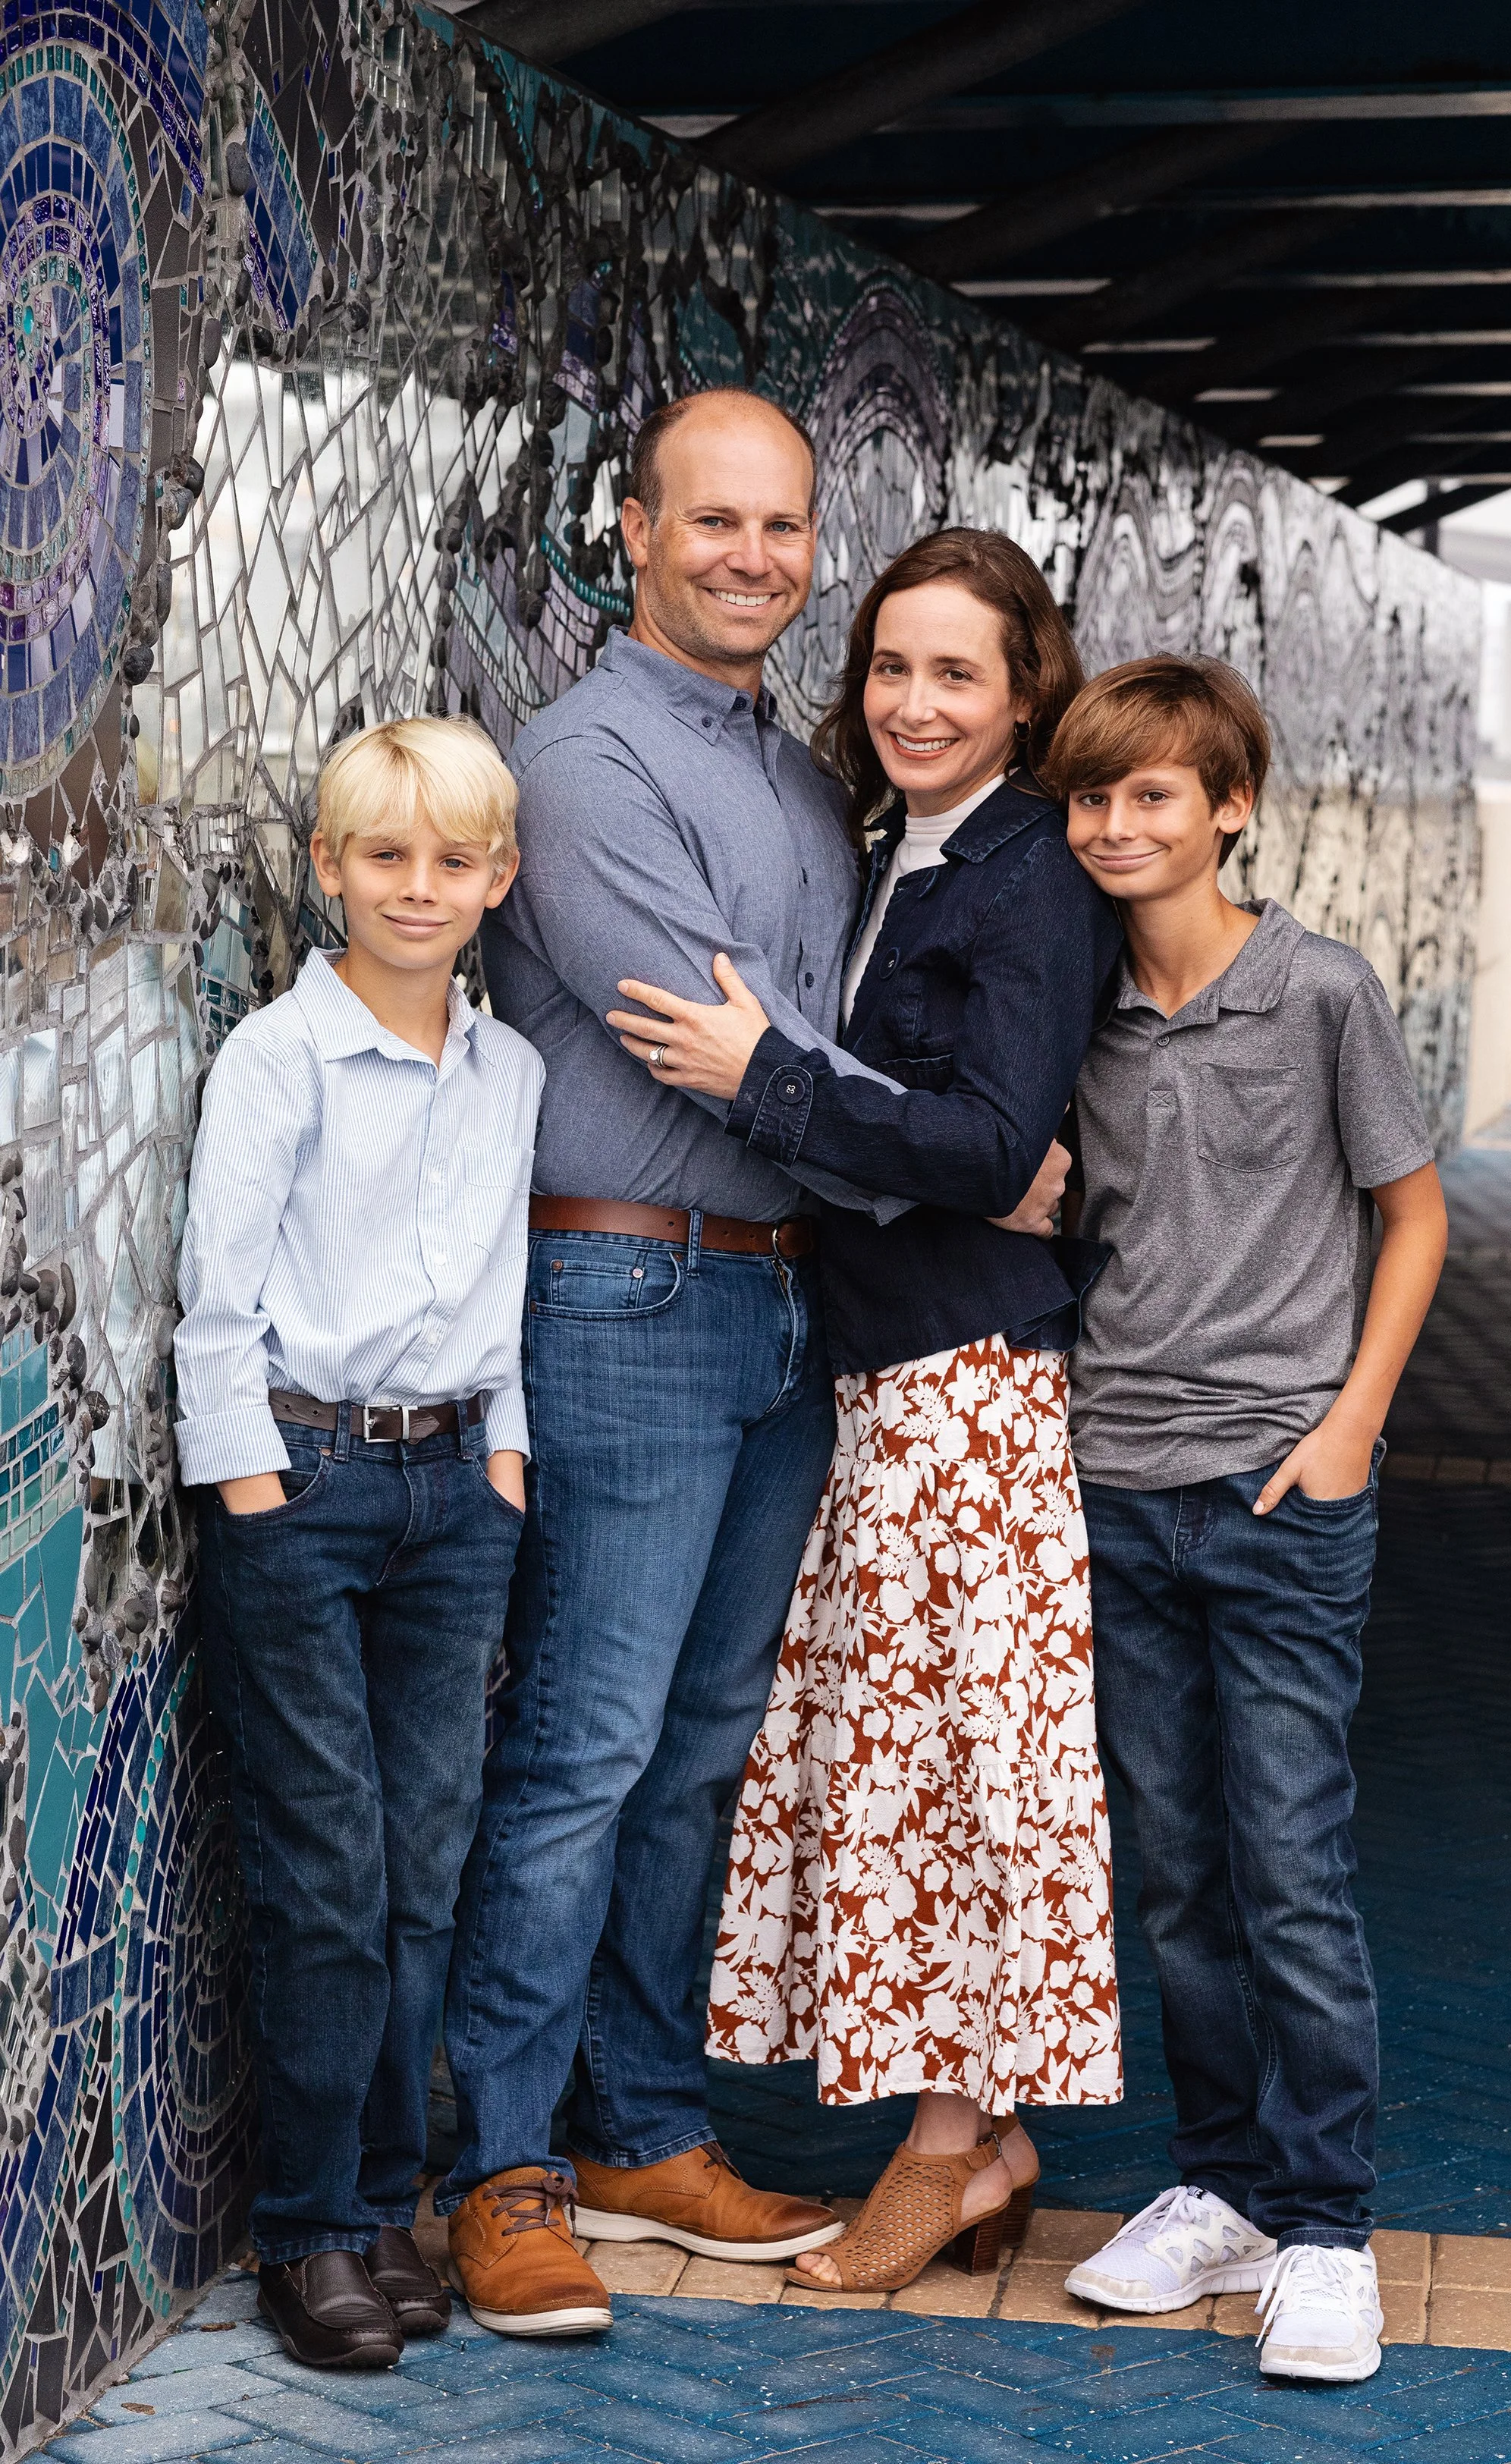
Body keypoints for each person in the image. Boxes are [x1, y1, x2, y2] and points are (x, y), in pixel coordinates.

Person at [436, 391, 1063, 2323]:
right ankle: (507, 2165)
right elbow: (704, 1040)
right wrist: (971, 1149)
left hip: (789, 1297)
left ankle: (641, 2121)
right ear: (633, 530)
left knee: (703, 1749)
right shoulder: (588, 761)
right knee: (584, 1749)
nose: (753, 559)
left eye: (785, 529)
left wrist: (920, 1127)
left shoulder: (805, 776)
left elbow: (788, 1037)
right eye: (714, 522)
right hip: (630, 1293)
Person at [607, 529, 1126, 2296]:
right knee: (898, 1777)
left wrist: (764, 1079)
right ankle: (976, 2138)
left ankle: (947, 2149)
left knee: (979, 1779)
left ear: (1023, 690)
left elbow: (991, 1142)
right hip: (879, 1373)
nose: (913, 701)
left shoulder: (1032, 865)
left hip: (972, 1390)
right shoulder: (889, 850)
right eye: (890, 668)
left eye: (956, 674)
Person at [1043, 657, 1448, 2384]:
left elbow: (1413, 1217)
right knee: (1180, 1868)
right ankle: (1223, 2188)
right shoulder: (1074, 1010)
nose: (1119, 824)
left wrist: (1353, 1425)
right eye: (1092, 797)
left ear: (1231, 808)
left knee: (1290, 1860)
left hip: (1284, 1495)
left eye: (1155, 794)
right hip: (1115, 1486)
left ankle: (1330, 2225)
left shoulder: (1323, 993)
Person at [174, 718, 550, 2368]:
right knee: (329, 1874)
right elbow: (215, 1306)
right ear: (327, 866)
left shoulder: (513, 1069)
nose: (419, 886)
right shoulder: (280, 1057)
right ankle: (310, 2231)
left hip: (457, 1497)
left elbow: (499, 1292)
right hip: (306, 1492)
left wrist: (510, 1455)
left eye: (452, 860)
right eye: (383, 855)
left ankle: (388, 2209)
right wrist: (257, 1491)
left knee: (422, 1874)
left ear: (499, 877)